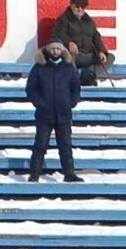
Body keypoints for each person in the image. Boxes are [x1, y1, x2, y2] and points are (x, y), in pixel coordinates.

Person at [26, 38, 81, 183]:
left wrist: (71, 102)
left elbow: (75, 87)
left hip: (63, 113)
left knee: (65, 145)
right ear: (48, 50)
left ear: (62, 50)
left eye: (58, 49)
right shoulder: (39, 67)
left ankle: (69, 174)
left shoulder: (69, 67)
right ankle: (34, 174)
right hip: (45, 114)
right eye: (52, 49)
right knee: (40, 145)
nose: (55, 51)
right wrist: (40, 103)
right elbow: (31, 89)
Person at [51, 0, 110, 86]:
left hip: (88, 55)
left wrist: (101, 51)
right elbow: (58, 34)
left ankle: (90, 75)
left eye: (83, 6)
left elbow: (96, 37)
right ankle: (77, 75)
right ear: (71, 5)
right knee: (66, 56)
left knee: (109, 57)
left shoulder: (89, 21)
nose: (80, 9)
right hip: (73, 55)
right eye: (77, 6)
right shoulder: (63, 19)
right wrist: (69, 42)